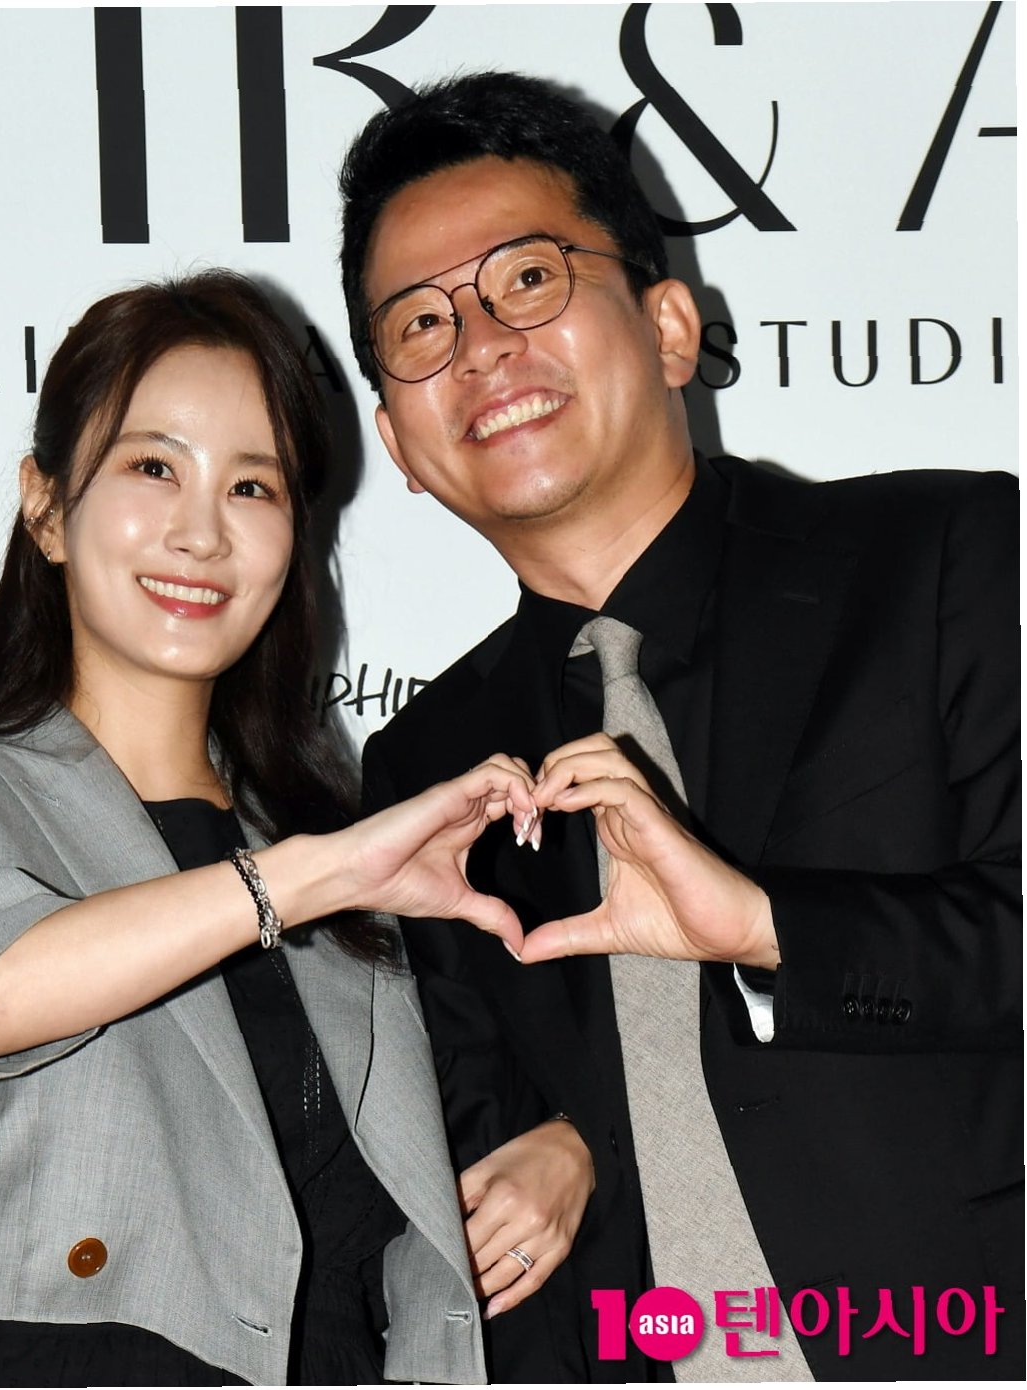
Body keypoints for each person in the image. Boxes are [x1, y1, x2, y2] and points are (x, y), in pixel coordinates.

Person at [339, 71, 1022, 1382]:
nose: (479, 346)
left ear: (666, 326)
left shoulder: (947, 556)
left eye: (527, 280)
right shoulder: (423, 768)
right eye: (421, 322)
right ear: (399, 444)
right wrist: (565, 1142)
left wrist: (766, 928)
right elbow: (481, 1141)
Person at [0, 268, 545, 1388]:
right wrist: (301, 880)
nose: (201, 532)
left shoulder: (353, 848)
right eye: (153, 467)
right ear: (46, 507)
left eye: (252, 486)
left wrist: (562, 1154)